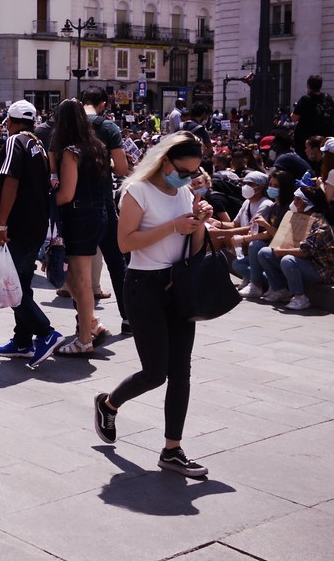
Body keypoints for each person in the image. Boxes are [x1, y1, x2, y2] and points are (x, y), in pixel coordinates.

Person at [94, 131, 214, 478]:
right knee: (155, 372)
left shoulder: (184, 193)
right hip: (144, 286)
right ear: (165, 162)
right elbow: (124, 242)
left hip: (178, 286)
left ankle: (172, 450)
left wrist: (197, 224)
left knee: (181, 373)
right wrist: (172, 226)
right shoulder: (137, 191)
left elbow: (193, 247)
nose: (189, 178)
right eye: (184, 171)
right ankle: (108, 403)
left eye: (194, 173)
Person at [0, 101, 63, 369]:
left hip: (16, 228)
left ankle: (45, 332)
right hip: (33, 225)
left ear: (10, 120)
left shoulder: (14, 142)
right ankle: (22, 340)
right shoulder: (38, 146)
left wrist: (1, 225)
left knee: (11, 286)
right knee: (20, 282)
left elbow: (11, 180)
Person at [51, 98, 113, 356]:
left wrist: (47, 200)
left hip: (79, 216)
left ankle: (84, 340)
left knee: (80, 280)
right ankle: (92, 324)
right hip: (99, 213)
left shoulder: (71, 152)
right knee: (76, 279)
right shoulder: (98, 147)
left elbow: (66, 194)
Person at [82, 87, 130, 333]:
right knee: (115, 260)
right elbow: (121, 168)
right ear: (102, 104)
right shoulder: (108, 127)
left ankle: (86, 324)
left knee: (78, 266)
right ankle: (128, 317)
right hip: (102, 201)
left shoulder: (69, 125)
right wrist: (109, 161)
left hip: (74, 204)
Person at [256, 186, 334, 310]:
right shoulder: (297, 218)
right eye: (295, 198)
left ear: (309, 204)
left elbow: (305, 252)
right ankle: (280, 289)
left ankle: (300, 297)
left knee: (288, 260)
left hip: (319, 269)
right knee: (264, 253)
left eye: (299, 199)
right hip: (301, 261)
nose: (295, 202)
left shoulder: (320, 224)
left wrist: (281, 252)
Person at [235, 170, 294, 298]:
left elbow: (277, 235)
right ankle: (266, 281)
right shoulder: (274, 206)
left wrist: (247, 237)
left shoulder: (287, 208)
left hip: (282, 249)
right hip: (271, 245)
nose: (272, 188)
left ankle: (260, 284)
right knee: (237, 264)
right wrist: (245, 238)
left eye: (276, 186)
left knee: (257, 248)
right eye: (271, 185)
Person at [291, 75, 334, 157]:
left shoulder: (305, 99)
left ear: (308, 85)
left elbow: (294, 118)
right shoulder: (327, 98)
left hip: (307, 139)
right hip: (326, 139)